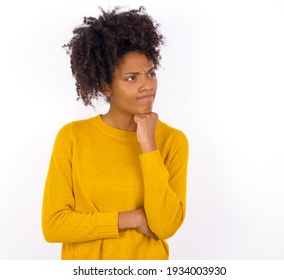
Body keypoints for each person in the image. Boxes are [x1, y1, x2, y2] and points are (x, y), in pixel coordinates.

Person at [42, 6, 189, 260]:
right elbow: (54, 225)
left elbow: (165, 226)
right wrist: (130, 219)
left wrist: (148, 146)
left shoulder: (172, 141)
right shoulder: (73, 137)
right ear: (107, 87)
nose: (147, 85)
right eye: (132, 78)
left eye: (151, 73)